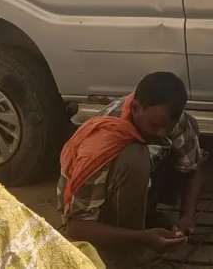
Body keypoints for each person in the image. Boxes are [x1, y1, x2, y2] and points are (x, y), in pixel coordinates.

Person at [57, 72, 205, 268]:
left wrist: (187, 217)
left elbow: (193, 168)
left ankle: (146, 219)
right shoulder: (100, 144)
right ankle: (124, 253)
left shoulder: (168, 120)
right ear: (135, 108)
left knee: (182, 137)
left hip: (128, 192)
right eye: (155, 125)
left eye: (166, 128)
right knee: (134, 159)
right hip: (93, 218)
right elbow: (76, 227)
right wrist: (142, 239)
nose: (161, 133)